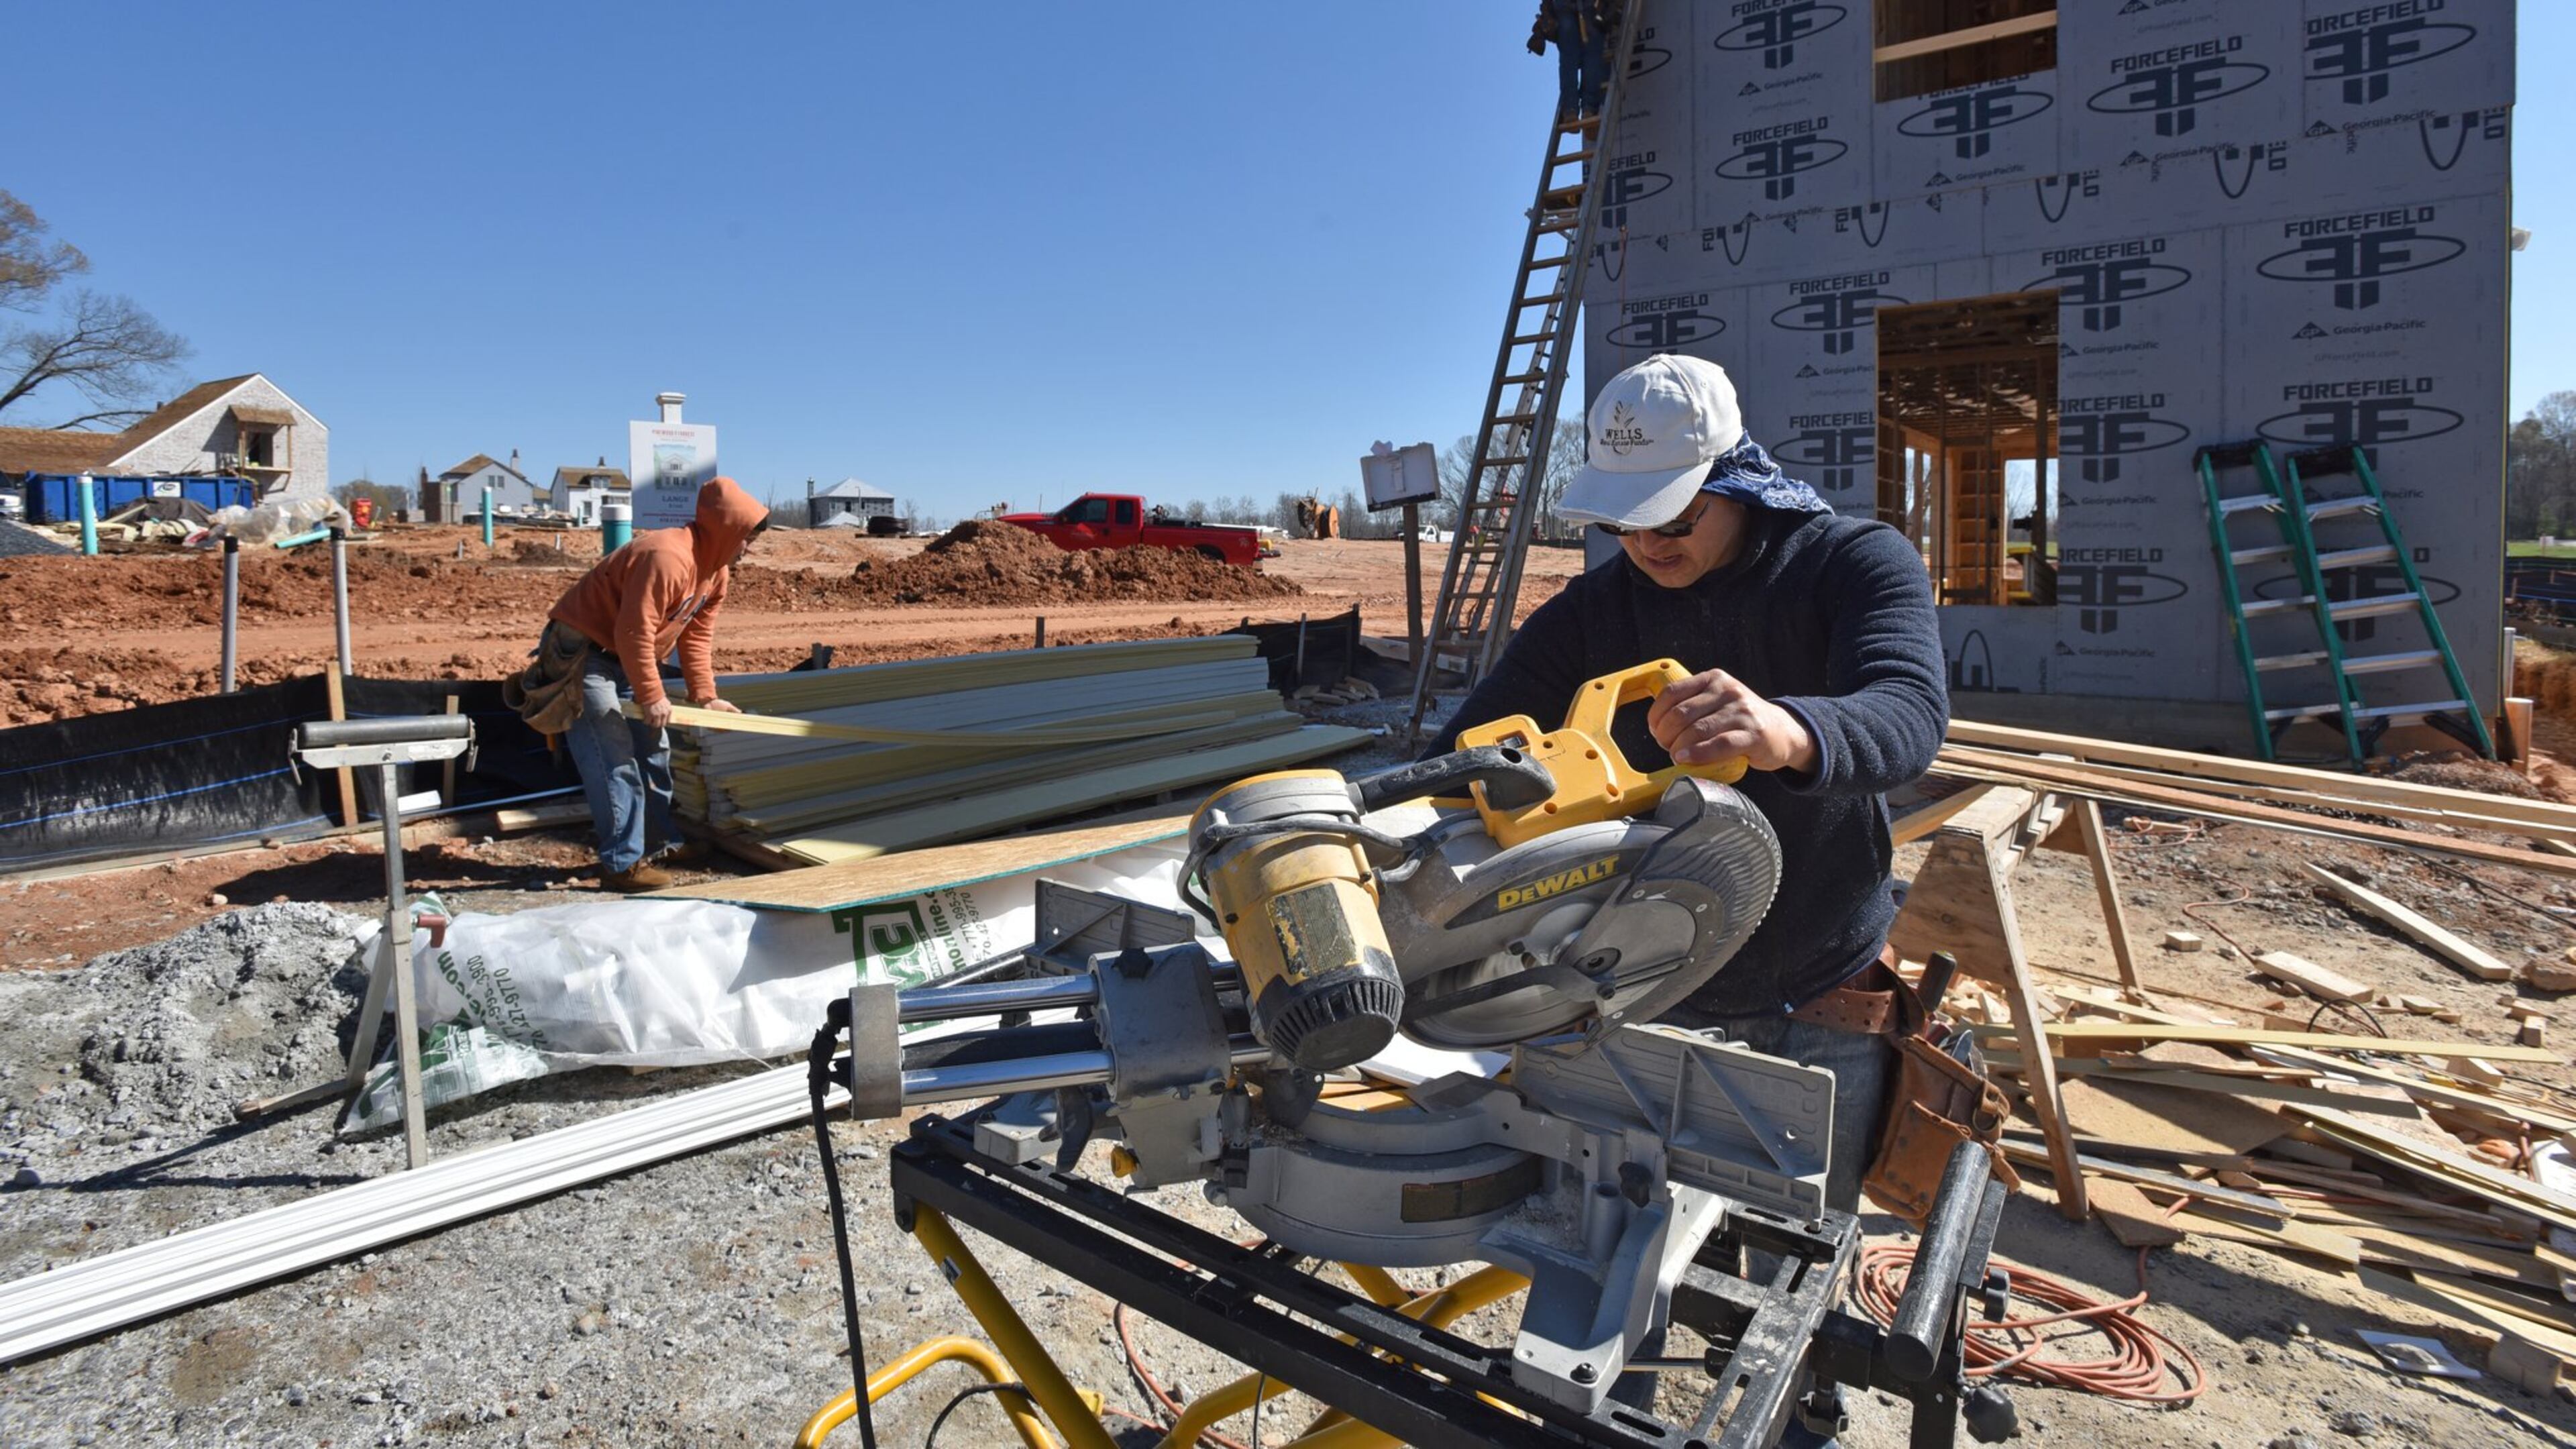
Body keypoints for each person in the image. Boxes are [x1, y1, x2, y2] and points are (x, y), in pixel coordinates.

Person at [1428, 355, 1946, 1431]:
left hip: (1814, 986)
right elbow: (1467, 741)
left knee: (1797, 1268)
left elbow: (1908, 711)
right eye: (1626, 521)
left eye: (1675, 513)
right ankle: (1626, 1416)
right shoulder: (1596, 609)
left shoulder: (1851, 562)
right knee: (1618, 1256)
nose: (1649, 543)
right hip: (1641, 984)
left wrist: (1795, 731)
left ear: (1737, 476)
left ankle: (1804, 1417)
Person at [529, 476, 769, 891]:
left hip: (623, 656)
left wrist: (705, 696)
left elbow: (695, 635)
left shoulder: (715, 573)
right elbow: (634, 631)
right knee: (613, 759)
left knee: (654, 750)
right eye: (746, 538)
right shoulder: (667, 557)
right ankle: (622, 865)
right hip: (585, 656)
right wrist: (653, 694)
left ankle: (661, 843)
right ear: (726, 530)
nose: (748, 548)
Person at [1528, 0, 1612, 121]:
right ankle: (1589, 108)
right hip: (1589, 6)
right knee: (1592, 56)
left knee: (1569, 57)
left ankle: (1570, 109)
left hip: (1563, 5)